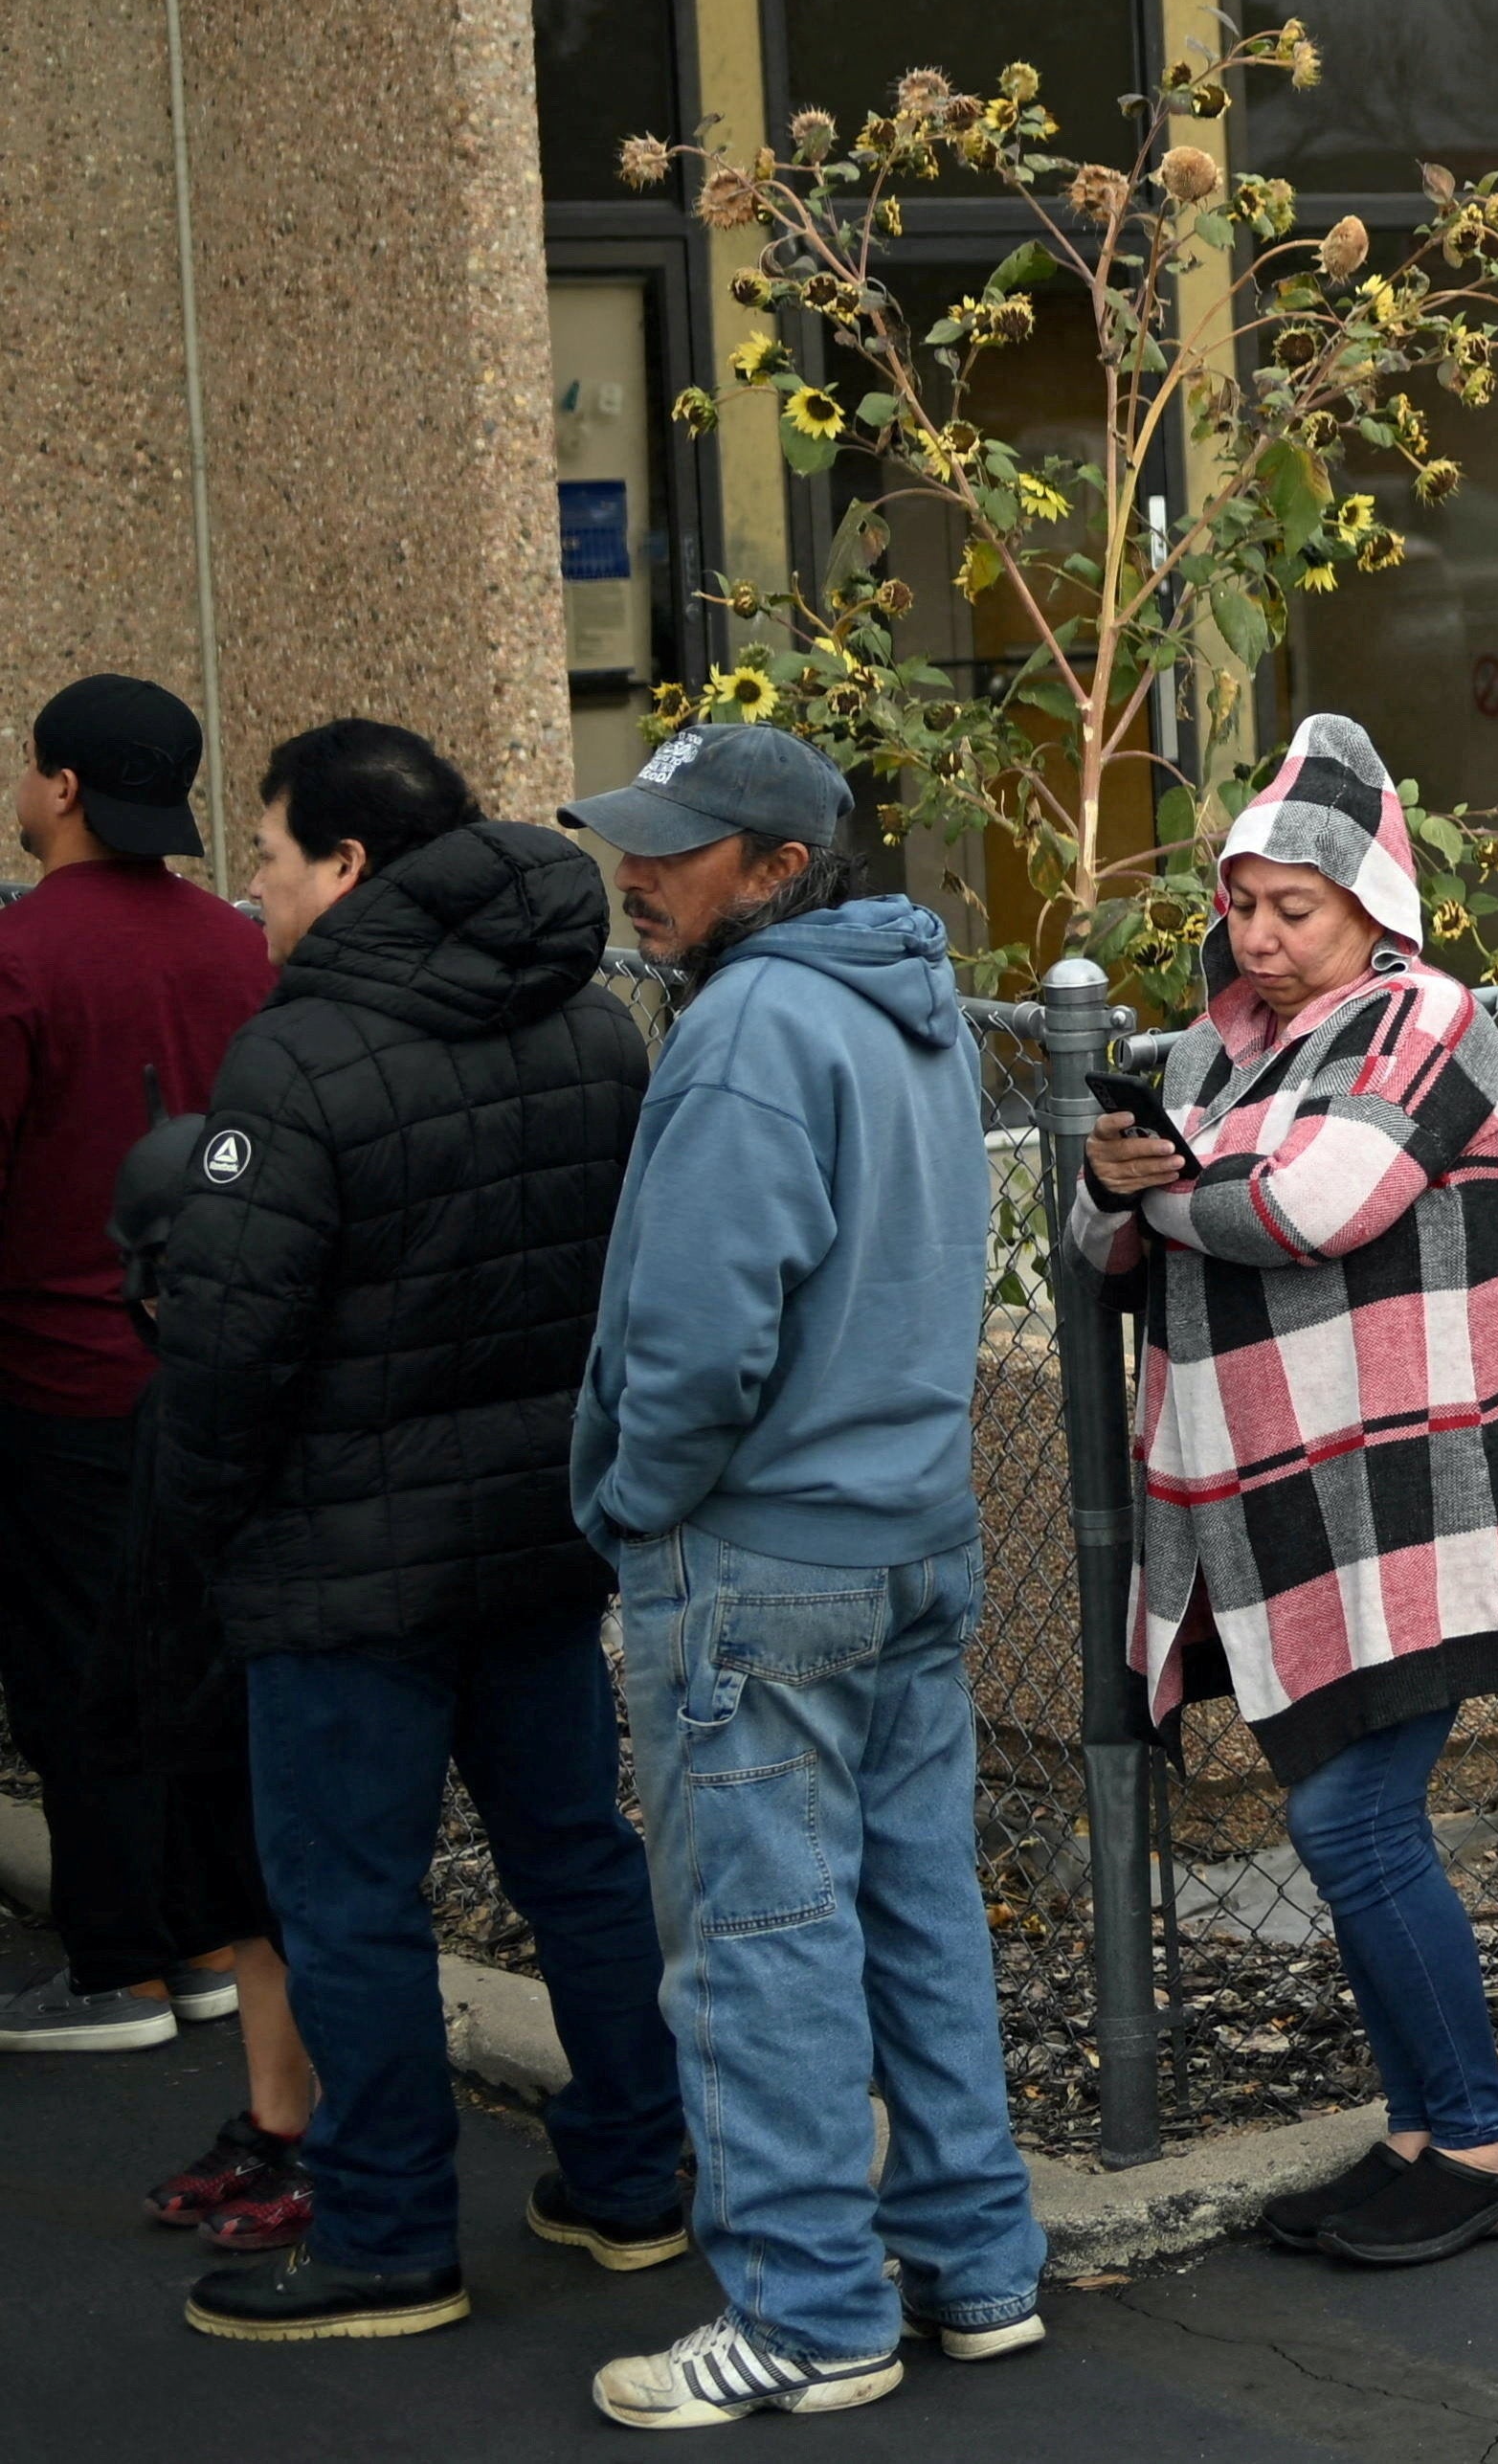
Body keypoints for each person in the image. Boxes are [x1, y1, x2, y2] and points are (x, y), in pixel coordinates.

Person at [130, 723, 689, 2347]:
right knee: (577, 1852)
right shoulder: (597, 1031)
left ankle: (385, 2233)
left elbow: (226, 1346)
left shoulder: (293, 1063)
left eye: (272, 849)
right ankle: (634, 2174)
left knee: (353, 1896)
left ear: (352, 867)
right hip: (540, 1532)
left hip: (336, 1568)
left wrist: (205, 1533)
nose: (251, 881)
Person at [559, 719, 1047, 2422]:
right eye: (634, 835)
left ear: (778, 866)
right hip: (906, 1537)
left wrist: (631, 1496)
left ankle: (808, 2311)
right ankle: (976, 2263)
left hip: (763, 1558)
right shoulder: (900, 1004)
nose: (638, 869)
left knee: (759, 1940)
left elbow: (698, 1337)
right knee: (914, 1912)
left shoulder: (755, 1027)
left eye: (676, 845)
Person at [1070, 716, 1498, 2271]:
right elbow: (1101, 1255)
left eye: (1298, 907)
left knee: (1350, 1816)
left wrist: (1167, 1189)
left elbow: (1318, 1204)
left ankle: (1486, 2140)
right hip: (1274, 1514)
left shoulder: (1432, 1023)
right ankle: (1424, 2132)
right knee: (1346, 1811)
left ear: (1372, 905)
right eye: (1246, 904)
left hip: (1421, 1508)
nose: (1264, 936)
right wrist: (1112, 1189)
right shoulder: (1210, 1044)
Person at [0, 675, 282, 2114]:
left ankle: (117, 1964)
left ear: (57, 787)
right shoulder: (242, 947)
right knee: (207, 1664)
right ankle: (218, 1941)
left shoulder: (24, 955)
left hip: (61, 1371)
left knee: (78, 1668)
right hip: (225, 1367)